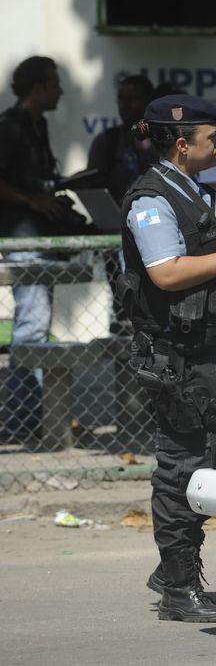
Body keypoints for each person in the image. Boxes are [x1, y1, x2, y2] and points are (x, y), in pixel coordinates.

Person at [119, 94, 216, 623]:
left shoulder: (191, 191)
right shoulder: (152, 199)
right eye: (213, 137)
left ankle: (172, 573)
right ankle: (178, 590)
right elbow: (166, 272)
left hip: (203, 351)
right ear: (183, 143)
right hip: (175, 355)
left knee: (203, 461)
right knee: (181, 468)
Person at [0, 56, 75, 441]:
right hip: (23, 239)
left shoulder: (37, 125)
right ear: (37, 88)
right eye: (54, 83)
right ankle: (19, 421)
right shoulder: (10, 126)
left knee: (36, 326)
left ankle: (26, 418)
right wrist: (34, 201)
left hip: (39, 240)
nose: (60, 90)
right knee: (31, 327)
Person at [86, 74, 159, 201]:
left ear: (149, 101)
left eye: (132, 99)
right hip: (115, 218)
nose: (124, 105)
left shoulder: (164, 140)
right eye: (121, 99)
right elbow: (93, 188)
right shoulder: (106, 141)